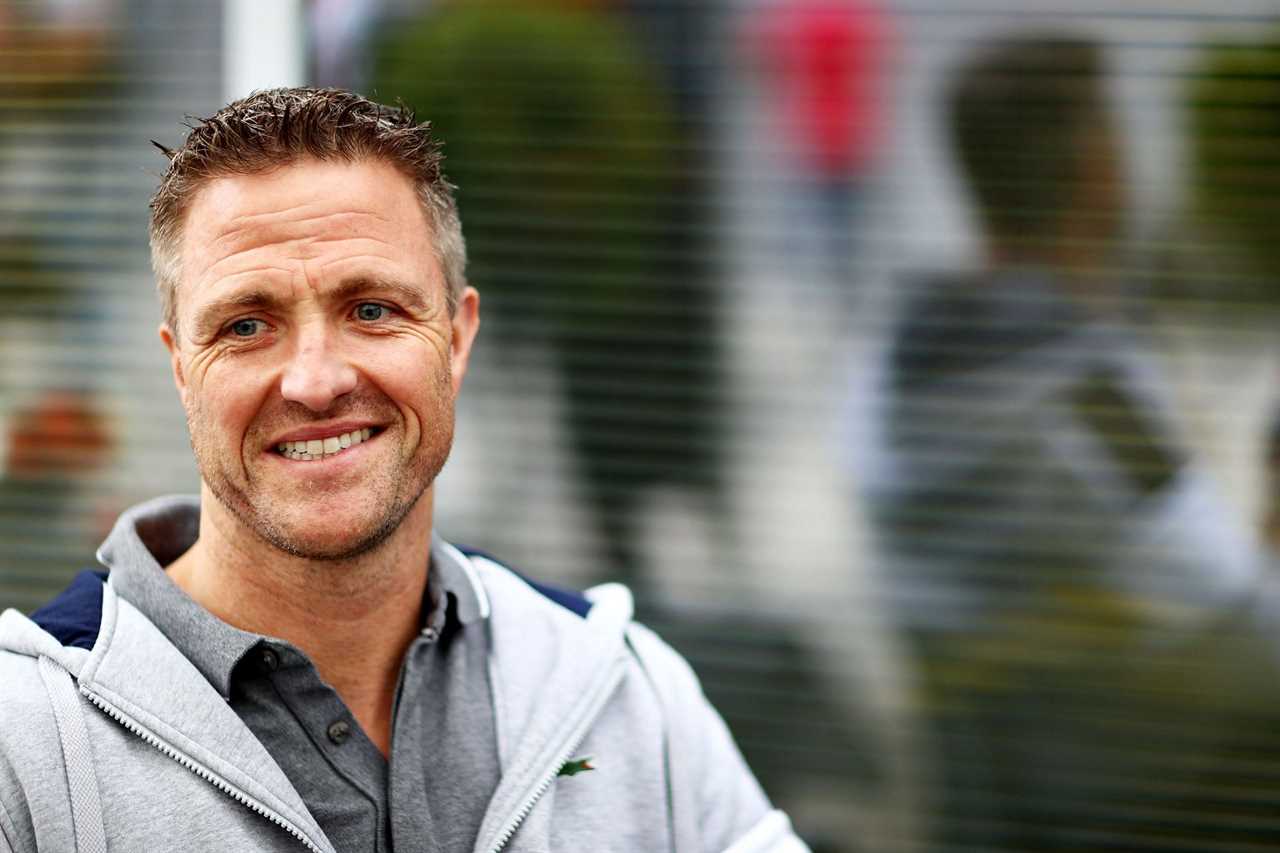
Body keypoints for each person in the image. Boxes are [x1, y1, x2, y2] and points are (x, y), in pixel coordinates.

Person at [0, 87, 808, 853]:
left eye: (372, 310)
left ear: (456, 338)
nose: (316, 380)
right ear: (182, 369)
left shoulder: (624, 694)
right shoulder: (25, 742)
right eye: (247, 324)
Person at [870, 36, 1274, 850]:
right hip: (1145, 798)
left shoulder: (889, 368)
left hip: (1000, 793)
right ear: (1097, 165)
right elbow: (1249, 638)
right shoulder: (1080, 396)